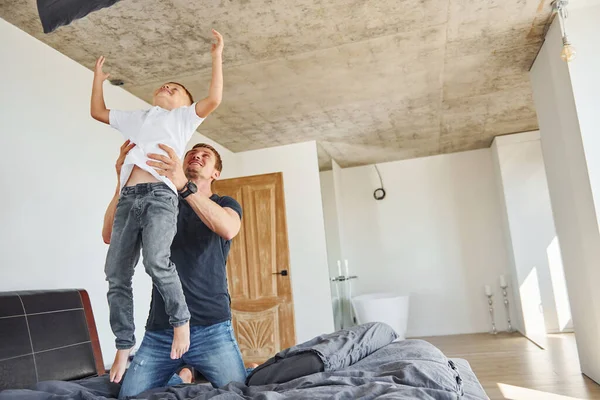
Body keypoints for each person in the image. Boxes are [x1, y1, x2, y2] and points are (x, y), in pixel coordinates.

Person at [92, 30, 225, 383]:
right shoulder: (138, 118)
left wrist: (216, 56)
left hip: (160, 196)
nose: (167, 87)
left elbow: (213, 98)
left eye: (176, 88)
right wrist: (97, 79)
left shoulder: (182, 120)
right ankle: (123, 343)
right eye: (164, 84)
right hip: (129, 198)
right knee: (115, 273)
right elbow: (98, 112)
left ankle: (182, 324)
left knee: (156, 261)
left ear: (184, 104)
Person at [102, 141, 248, 399]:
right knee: (128, 396)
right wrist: (122, 181)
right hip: (161, 329)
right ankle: (182, 375)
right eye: (192, 153)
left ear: (216, 173)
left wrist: (184, 186)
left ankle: (185, 373)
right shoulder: (160, 203)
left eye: (206, 156)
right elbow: (109, 235)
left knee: (241, 393)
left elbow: (228, 228)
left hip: (211, 327)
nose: (197, 157)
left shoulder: (224, 202)